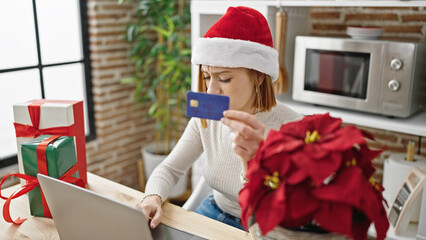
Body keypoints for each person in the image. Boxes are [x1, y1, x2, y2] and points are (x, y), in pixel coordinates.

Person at [136, 6, 302, 231]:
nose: (211, 90)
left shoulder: (292, 127)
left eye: (224, 78)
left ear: (259, 77)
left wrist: (251, 162)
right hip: (213, 210)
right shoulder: (206, 116)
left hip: (259, 224)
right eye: (206, 77)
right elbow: (170, 169)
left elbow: (286, 209)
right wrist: (152, 197)